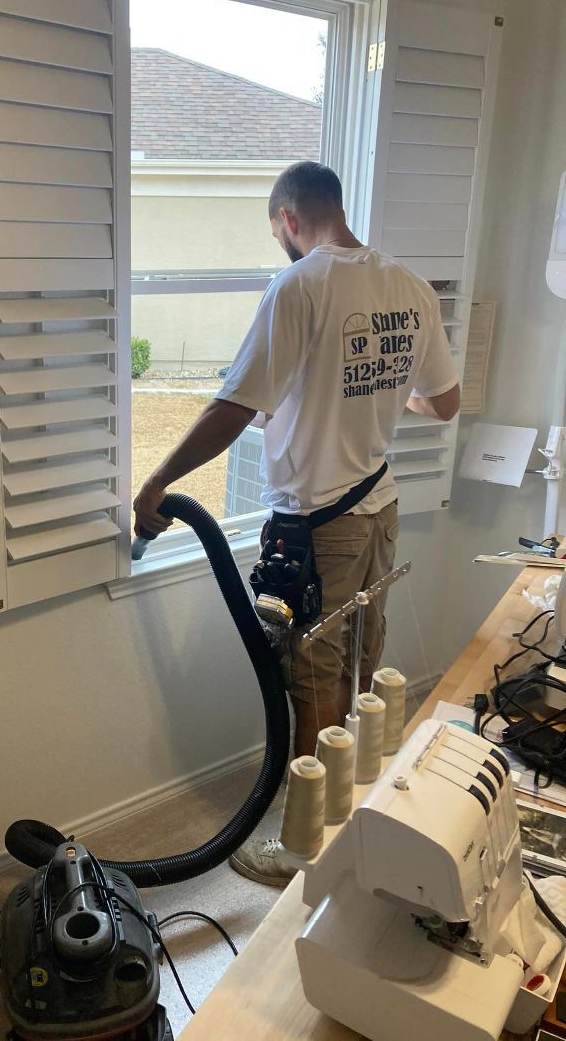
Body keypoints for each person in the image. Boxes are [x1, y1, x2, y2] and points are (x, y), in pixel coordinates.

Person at [133, 161, 460, 885]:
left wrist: (158, 480)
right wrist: (378, 391)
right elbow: (444, 402)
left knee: (315, 678)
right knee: (360, 665)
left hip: (319, 524)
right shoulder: (407, 285)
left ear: (288, 218)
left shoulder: (301, 284)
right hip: (379, 509)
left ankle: (303, 849)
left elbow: (234, 407)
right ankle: (352, 816)